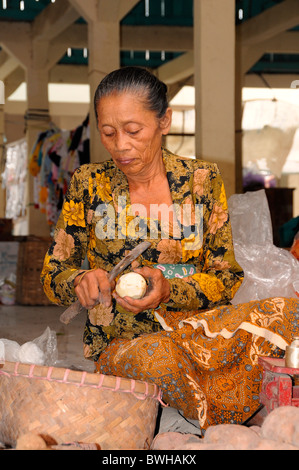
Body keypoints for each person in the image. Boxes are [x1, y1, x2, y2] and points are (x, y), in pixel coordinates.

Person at [41, 66, 298, 431]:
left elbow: (226, 279)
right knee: (156, 358)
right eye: (108, 133)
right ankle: (224, 419)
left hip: (198, 330)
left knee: (291, 313)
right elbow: (52, 276)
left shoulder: (201, 182)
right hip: (126, 341)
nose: (120, 146)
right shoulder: (89, 184)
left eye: (133, 131)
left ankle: (211, 399)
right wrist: (81, 279)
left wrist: (167, 290)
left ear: (164, 121)